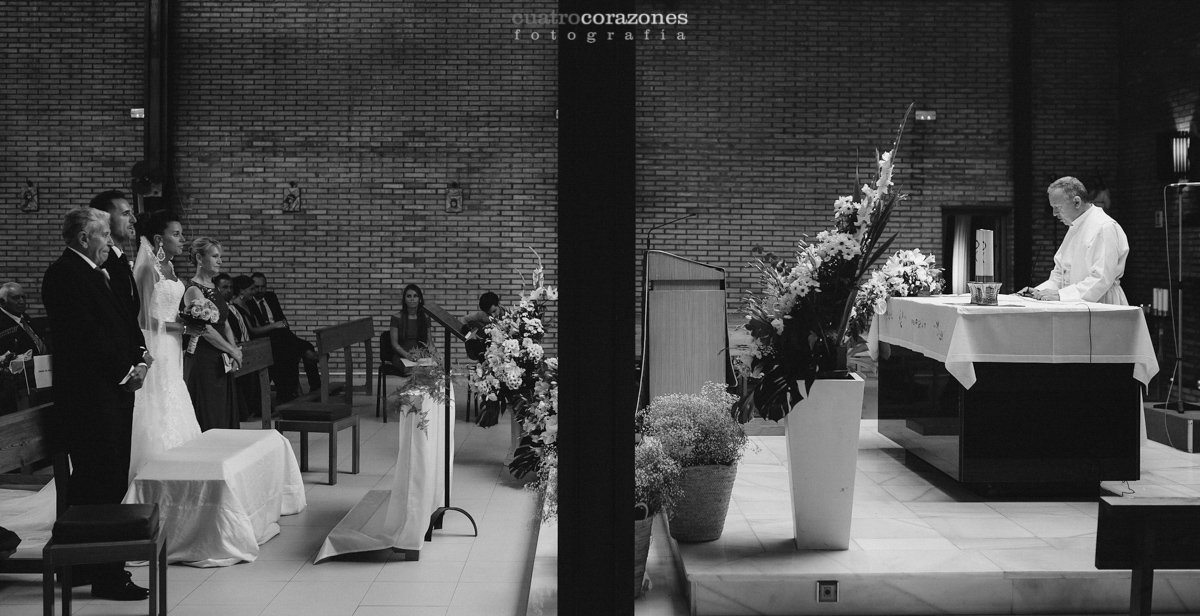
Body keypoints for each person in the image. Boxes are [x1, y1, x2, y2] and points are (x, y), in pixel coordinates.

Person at [42, 207, 150, 601]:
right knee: (99, 485)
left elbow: (124, 320)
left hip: (111, 393)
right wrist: (126, 370)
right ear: (84, 237)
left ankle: (84, 569)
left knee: (105, 481)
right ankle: (105, 574)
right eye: (104, 234)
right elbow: (85, 336)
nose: (110, 241)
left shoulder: (97, 272)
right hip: (91, 398)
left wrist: (139, 357)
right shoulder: (64, 275)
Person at [128, 209, 203, 482]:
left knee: (174, 394)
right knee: (156, 400)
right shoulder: (148, 268)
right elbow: (142, 318)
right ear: (159, 239)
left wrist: (189, 318)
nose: (183, 239)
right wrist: (183, 327)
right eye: (176, 234)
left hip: (172, 344)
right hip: (156, 344)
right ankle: (151, 471)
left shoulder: (169, 267)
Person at [1018, 176, 1129, 305]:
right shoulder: (1075, 226)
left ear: (1077, 202)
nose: (1054, 213)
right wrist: (1038, 292)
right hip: (1074, 302)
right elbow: (1060, 274)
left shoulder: (1104, 227)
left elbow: (1101, 279)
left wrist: (1061, 295)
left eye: (1057, 207)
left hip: (1101, 303)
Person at [184, 237, 242, 430]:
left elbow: (224, 323)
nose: (220, 261)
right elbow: (206, 330)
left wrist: (234, 350)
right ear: (200, 258)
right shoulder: (193, 290)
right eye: (215, 256)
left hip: (221, 356)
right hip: (205, 358)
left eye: (220, 257)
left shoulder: (213, 287)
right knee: (212, 410)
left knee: (224, 408)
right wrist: (232, 351)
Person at [243, 272, 320, 401]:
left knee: (305, 346)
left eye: (263, 286)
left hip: (282, 333)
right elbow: (256, 328)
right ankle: (295, 386)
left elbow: (281, 318)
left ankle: (316, 387)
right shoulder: (249, 302)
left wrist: (282, 326)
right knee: (291, 353)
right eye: (256, 287)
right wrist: (274, 326)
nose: (260, 290)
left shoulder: (271, 296)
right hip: (268, 337)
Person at [90, 190, 142, 323]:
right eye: (126, 214)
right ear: (104, 220)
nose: (134, 220)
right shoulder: (101, 263)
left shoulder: (120, 258)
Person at [390, 284, 433, 375]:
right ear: (404, 299)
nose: (412, 299)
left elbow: (429, 342)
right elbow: (394, 344)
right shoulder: (396, 317)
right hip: (402, 356)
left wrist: (434, 356)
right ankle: (413, 389)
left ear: (420, 299)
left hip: (421, 356)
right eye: (409, 296)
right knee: (416, 371)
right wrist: (408, 355)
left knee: (434, 369)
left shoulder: (425, 318)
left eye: (415, 296)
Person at [0, 282, 49, 356]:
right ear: (2, 302)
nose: (22, 302)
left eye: (23, 297)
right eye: (16, 298)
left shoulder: (25, 318)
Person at [462, 291, 503, 362]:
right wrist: (471, 335)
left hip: (500, 348)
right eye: (489, 314)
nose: (492, 316)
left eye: (494, 311)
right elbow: (464, 319)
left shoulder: (507, 315)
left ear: (499, 304)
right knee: (469, 333)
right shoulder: (482, 315)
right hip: (484, 346)